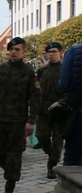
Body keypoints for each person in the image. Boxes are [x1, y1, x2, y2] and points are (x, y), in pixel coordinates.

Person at [0, 37, 40, 193]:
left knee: (14, 155)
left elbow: (35, 98)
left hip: (18, 121)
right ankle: (12, 173)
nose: (14, 52)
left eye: (17, 49)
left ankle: (9, 188)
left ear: (24, 51)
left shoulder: (28, 71)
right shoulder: (1, 70)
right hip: (0, 120)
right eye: (11, 49)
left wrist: (31, 121)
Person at [35, 42, 66, 179]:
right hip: (44, 111)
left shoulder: (65, 69)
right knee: (41, 136)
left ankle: (51, 166)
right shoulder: (42, 70)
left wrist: (61, 102)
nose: (52, 54)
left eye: (54, 51)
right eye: (49, 52)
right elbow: (37, 89)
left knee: (58, 139)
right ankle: (52, 154)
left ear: (60, 53)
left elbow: (70, 89)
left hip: (60, 110)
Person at [59, 42, 82, 166]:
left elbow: (63, 83)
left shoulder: (74, 51)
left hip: (78, 110)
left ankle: (68, 185)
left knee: (72, 155)